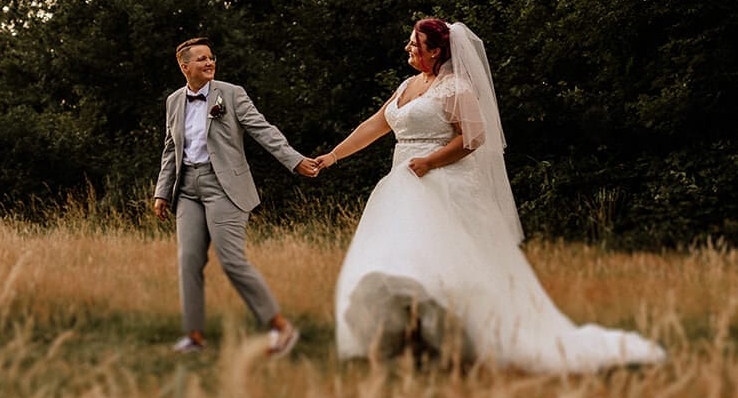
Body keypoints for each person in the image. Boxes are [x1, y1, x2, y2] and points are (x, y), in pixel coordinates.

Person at [314, 19, 666, 372]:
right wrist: (333, 156)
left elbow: (473, 137)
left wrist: (430, 162)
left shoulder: (455, 88)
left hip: (441, 181)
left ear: (435, 51)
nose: (408, 48)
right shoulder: (408, 85)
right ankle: (415, 336)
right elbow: (377, 124)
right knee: (402, 257)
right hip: (403, 183)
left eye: (415, 44)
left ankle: (464, 337)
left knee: (447, 260)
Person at [154, 36, 318, 356]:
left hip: (224, 186)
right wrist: (162, 191)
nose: (209, 63)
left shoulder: (231, 94)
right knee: (188, 261)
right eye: (201, 59)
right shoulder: (173, 101)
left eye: (211, 57)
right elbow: (170, 149)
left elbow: (263, 129)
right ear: (184, 66)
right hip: (186, 190)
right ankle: (194, 336)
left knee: (231, 260)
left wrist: (294, 160)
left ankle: (281, 328)